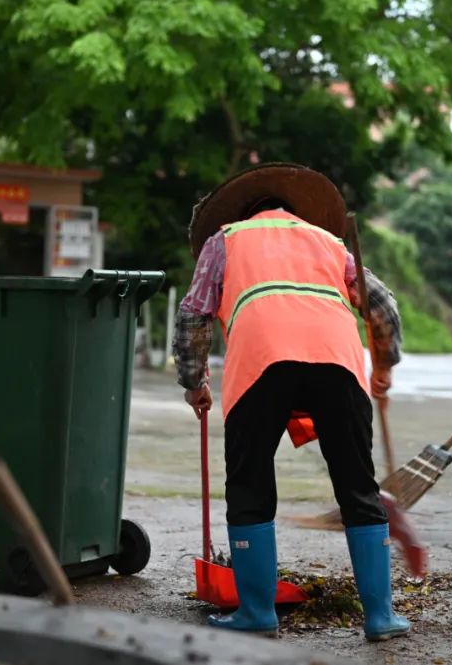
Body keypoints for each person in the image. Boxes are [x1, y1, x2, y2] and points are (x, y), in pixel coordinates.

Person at [173, 163, 410, 640]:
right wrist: (384, 365)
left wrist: (193, 381)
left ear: (244, 212)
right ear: (290, 211)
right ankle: (381, 616)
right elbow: (381, 304)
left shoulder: (226, 240)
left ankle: (257, 612)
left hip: (261, 362)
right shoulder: (329, 242)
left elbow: (193, 314)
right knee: (358, 488)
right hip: (337, 362)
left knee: (249, 484)